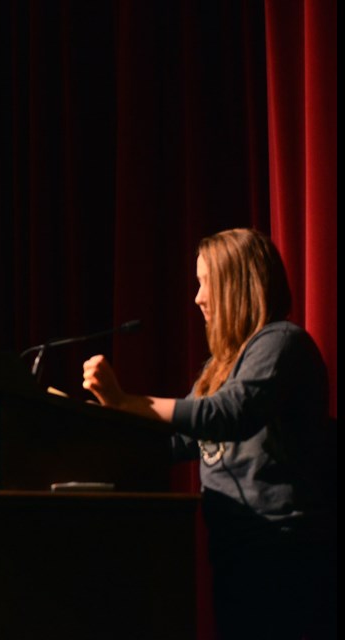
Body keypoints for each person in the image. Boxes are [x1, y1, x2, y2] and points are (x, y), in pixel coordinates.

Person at [81, 228, 336, 639]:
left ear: (238, 285)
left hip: (284, 555)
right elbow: (178, 439)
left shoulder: (282, 343)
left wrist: (127, 401)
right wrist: (95, 422)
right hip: (235, 553)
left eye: (206, 282)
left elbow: (227, 414)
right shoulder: (218, 367)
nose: (198, 298)